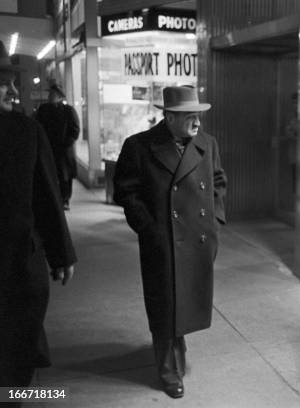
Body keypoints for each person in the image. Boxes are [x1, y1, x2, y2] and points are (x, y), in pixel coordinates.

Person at [113, 86, 226, 399]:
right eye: (190, 116)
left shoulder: (207, 144)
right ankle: (168, 369)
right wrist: (148, 228)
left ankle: (177, 346)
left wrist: (215, 220)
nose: (197, 123)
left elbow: (218, 182)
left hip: (199, 239)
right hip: (163, 241)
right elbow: (126, 191)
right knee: (164, 306)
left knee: (185, 301)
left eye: (199, 116)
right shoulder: (139, 146)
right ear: (170, 117)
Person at [0, 41, 77, 393]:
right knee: (15, 364)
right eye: (4, 80)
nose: (13, 89)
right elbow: (45, 200)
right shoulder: (24, 131)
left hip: (17, 269)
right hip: (16, 272)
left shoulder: (29, 128)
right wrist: (61, 255)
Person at [35, 84, 80, 210]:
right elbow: (38, 126)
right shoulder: (43, 109)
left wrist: (66, 144)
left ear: (59, 97)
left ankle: (65, 200)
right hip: (48, 149)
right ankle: (52, 199)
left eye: (52, 94)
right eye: (50, 94)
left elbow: (74, 130)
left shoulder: (68, 111)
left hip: (63, 151)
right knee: (49, 174)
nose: (50, 96)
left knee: (65, 177)